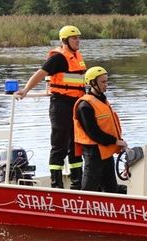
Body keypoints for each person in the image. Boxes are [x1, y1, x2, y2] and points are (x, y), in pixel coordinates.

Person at [15, 25, 86, 189]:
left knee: (76, 145)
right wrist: (25, 90)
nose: (78, 41)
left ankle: (77, 183)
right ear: (65, 41)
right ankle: (57, 184)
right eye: (74, 38)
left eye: (78, 38)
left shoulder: (77, 57)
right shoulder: (58, 58)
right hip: (60, 104)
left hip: (76, 104)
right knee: (59, 145)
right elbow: (40, 74)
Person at [73, 66, 127, 193]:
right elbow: (93, 132)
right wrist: (115, 141)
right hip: (93, 154)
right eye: (103, 82)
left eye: (106, 81)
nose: (106, 85)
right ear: (92, 83)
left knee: (111, 190)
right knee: (89, 190)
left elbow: (109, 127)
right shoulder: (84, 105)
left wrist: (119, 142)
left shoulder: (103, 101)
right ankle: (84, 211)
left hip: (106, 152)